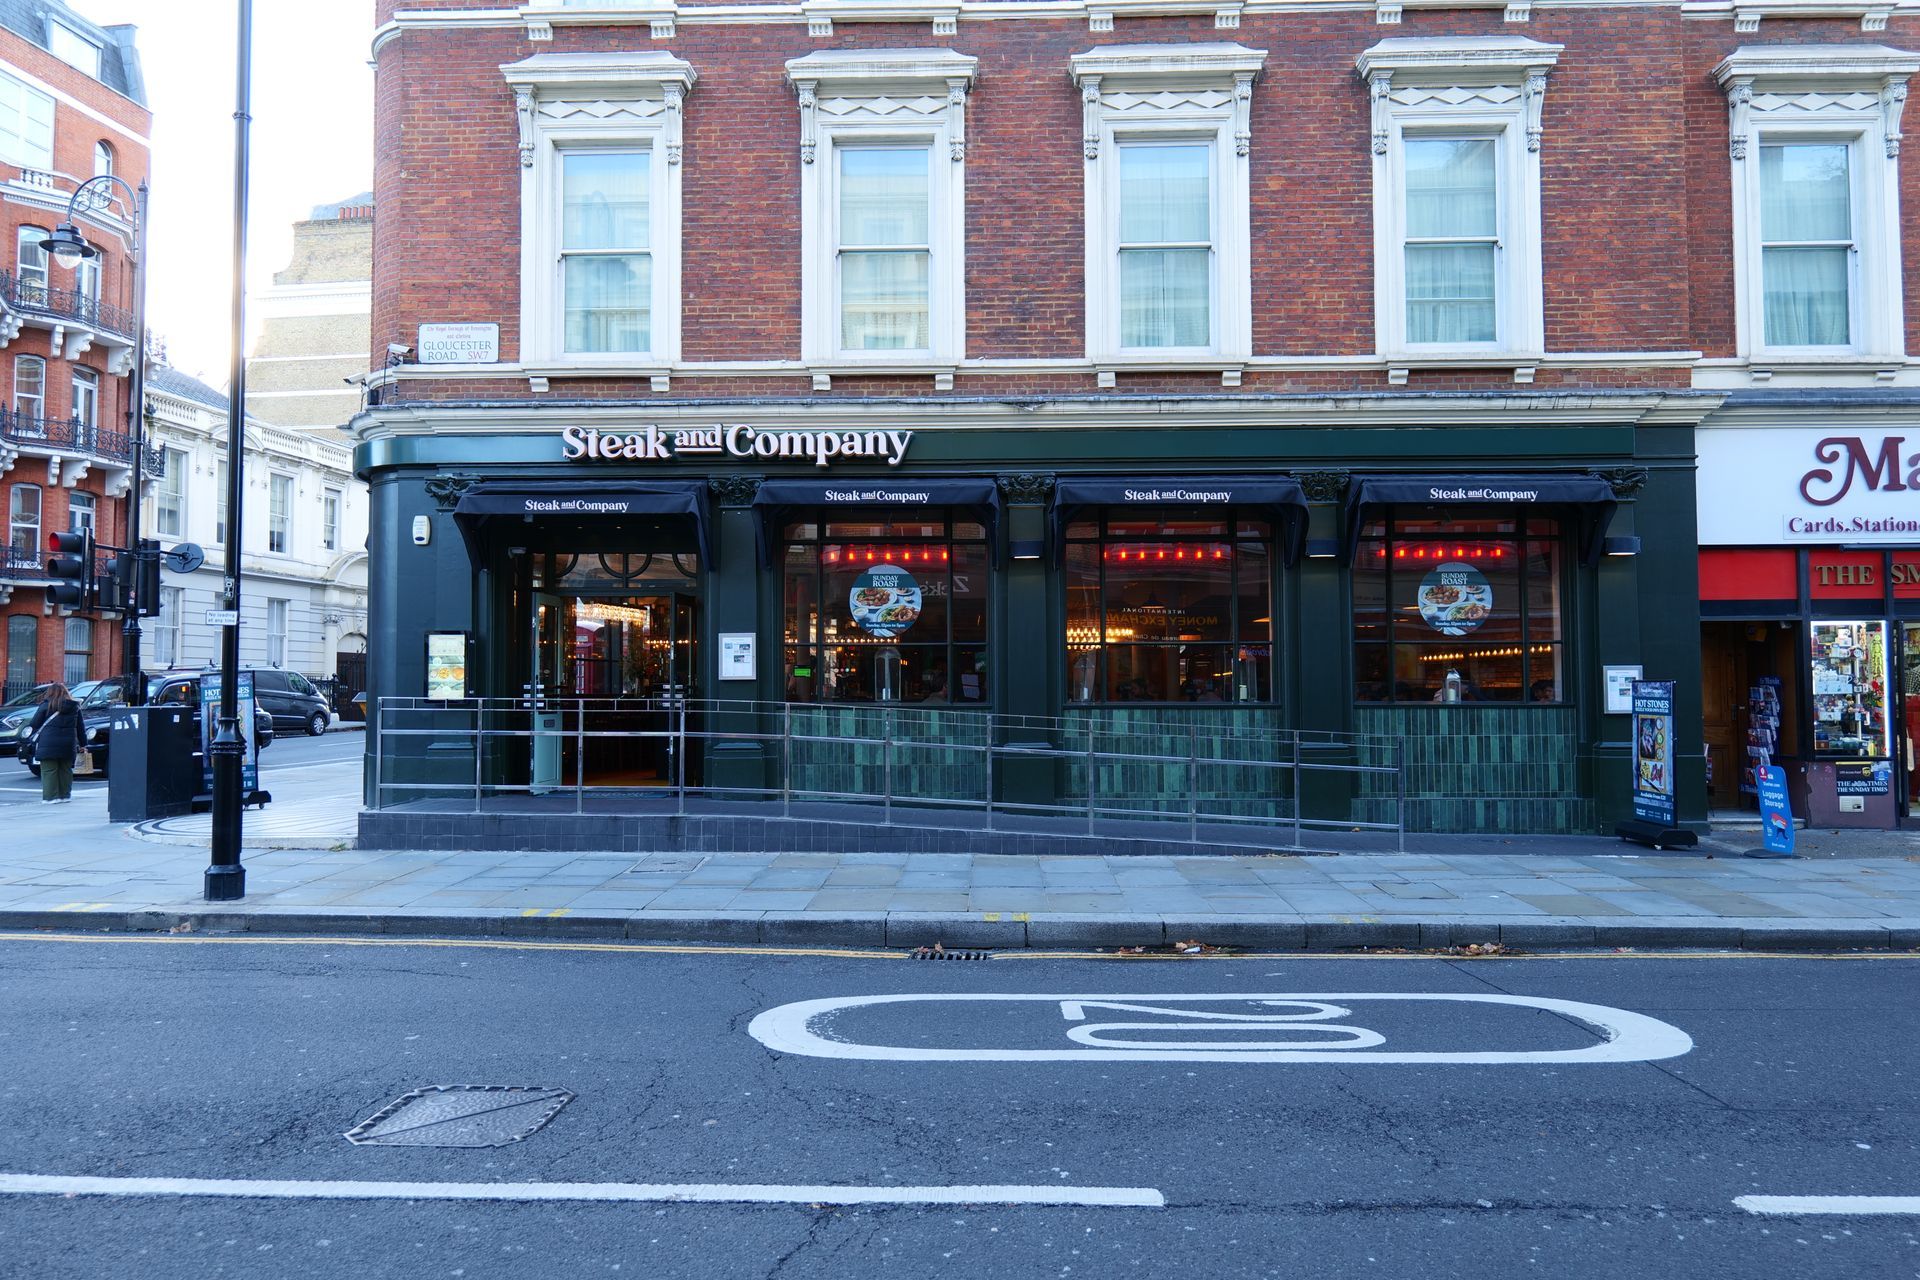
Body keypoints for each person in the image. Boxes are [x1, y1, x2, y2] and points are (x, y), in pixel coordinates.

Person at [28, 683, 81, 804]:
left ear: (50, 692)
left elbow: (35, 723)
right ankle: (65, 796)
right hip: (68, 742)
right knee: (66, 770)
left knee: (49, 770)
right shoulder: (75, 706)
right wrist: (83, 744)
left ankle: (50, 797)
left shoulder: (45, 705)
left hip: (48, 742)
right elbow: (80, 727)